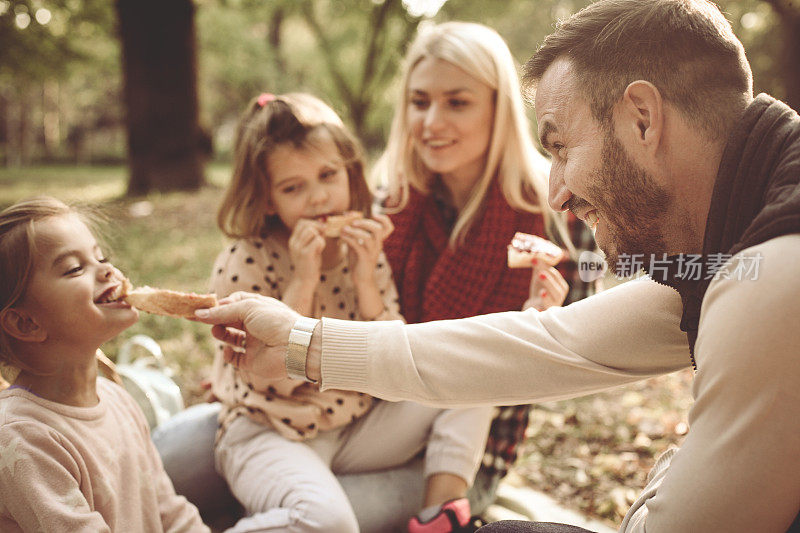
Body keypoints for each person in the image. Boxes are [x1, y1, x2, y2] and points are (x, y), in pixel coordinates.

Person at [193, 0, 800, 531]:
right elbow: (550, 343)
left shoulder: (770, 278)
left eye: (561, 146)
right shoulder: (720, 256)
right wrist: (302, 341)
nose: (556, 190)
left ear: (642, 116)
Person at [209, 92, 494, 533]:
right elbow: (276, 380)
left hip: (354, 427)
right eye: (292, 188)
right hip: (269, 431)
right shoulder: (246, 259)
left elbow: (395, 359)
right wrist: (302, 280)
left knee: (472, 375)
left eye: (327, 176)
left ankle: (438, 517)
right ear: (267, 200)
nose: (319, 198)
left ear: (350, 174)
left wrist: (365, 279)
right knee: (329, 522)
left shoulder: (365, 252)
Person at [374, 21, 597, 512]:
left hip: (469, 455)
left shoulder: (561, 215)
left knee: (316, 516)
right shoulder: (387, 205)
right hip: (362, 418)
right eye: (419, 101)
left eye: (457, 102)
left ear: (498, 109)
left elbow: (574, 371)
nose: (432, 121)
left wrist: (547, 328)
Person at [0, 197, 209, 532]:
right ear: (26, 323)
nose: (108, 269)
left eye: (101, 257)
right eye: (74, 268)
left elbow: (170, 512)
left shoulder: (117, 399)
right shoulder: (20, 439)